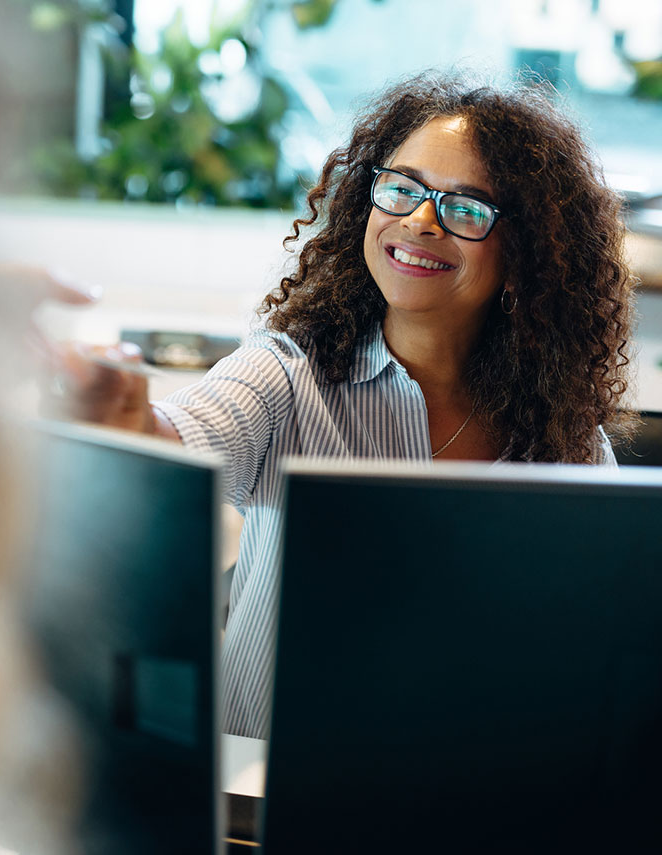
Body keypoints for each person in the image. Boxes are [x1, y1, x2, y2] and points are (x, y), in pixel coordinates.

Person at [47, 72, 637, 739]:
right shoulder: (287, 373)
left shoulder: (564, 438)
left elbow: (601, 637)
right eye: (402, 189)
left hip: (468, 793)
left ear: (524, 253)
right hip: (265, 801)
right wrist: (117, 420)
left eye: (466, 207)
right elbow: (174, 441)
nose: (419, 220)